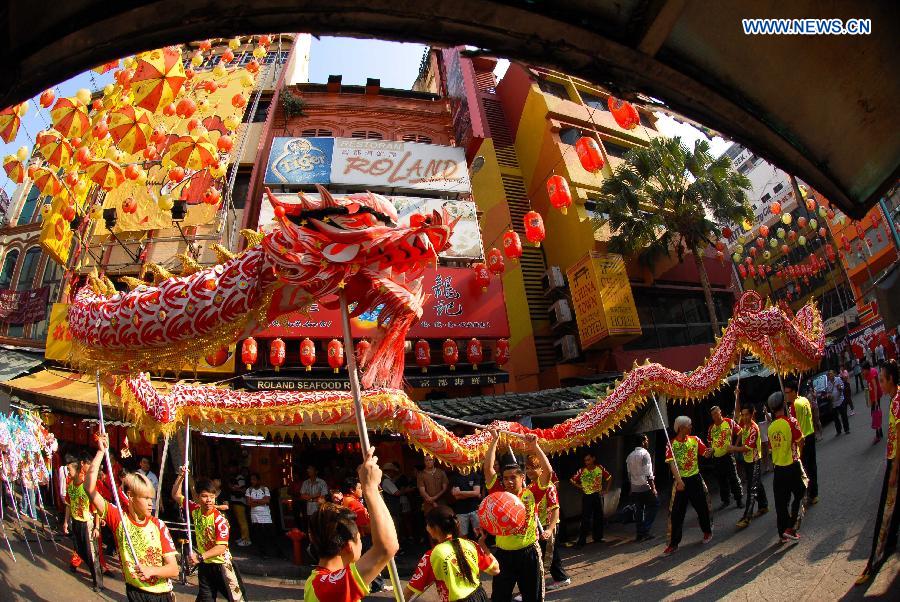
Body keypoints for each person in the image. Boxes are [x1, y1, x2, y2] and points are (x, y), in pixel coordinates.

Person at [85, 434, 179, 601]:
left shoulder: (158, 525)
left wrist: (152, 570)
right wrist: (100, 452)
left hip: (161, 594)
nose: (151, 503)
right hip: (134, 591)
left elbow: (173, 569)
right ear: (131, 496)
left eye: (152, 498)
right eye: (146, 498)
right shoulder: (118, 519)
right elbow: (89, 487)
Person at [304, 448, 399, 602]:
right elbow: (387, 547)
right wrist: (371, 488)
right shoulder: (330, 586)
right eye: (358, 538)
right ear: (349, 546)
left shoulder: (316, 581)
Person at [484, 431, 549, 602]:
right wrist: (494, 441)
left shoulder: (532, 493)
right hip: (503, 555)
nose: (509, 481)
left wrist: (535, 447)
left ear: (523, 477)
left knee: (532, 598)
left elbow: (547, 472)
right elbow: (488, 470)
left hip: (529, 553)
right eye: (505, 478)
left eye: (513, 477)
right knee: (499, 598)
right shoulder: (499, 494)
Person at [857, 359, 900, 584]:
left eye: (882, 380)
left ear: (891, 380)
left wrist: (894, 468)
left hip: (895, 464)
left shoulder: (897, 402)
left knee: (886, 510)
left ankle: (876, 557)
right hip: (893, 461)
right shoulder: (894, 400)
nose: (880, 384)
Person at [172, 470, 244, 602]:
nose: (209, 500)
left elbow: (221, 547)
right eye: (205, 496)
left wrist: (199, 557)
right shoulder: (194, 510)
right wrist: (181, 476)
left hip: (222, 566)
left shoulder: (220, 520)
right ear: (198, 497)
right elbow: (176, 495)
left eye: (212, 496)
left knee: (237, 599)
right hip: (205, 566)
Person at [405, 506, 499, 602]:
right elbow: (495, 570)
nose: (426, 527)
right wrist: (482, 544)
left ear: (435, 528)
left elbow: (409, 591)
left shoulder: (432, 556)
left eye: (427, 524)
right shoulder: (471, 544)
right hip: (479, 597)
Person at [663, 416, 713, 556]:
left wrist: (711, 451)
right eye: (689, 425)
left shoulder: (695, 440)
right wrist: (678, 481)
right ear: (681, 427)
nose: (691, 427)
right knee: (676, 513)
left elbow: (705, 454)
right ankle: (673, 544)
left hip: (695, 478)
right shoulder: (671, 444)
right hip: (681, 481)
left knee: (702, 507)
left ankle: (707, 532)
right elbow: (671, 463)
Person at [767, 392, 807, 543]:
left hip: (778, 470)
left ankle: (782, 533)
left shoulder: (771, 427)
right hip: (792, 466)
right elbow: (801, 440)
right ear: (783, 405)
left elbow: (771, 449)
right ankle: (791, 528)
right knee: (801, 494)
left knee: (781, 503)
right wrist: (799, 455)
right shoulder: (791, 421)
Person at [525, 454, 570, 591]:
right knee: (550, 553)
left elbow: (556, 509)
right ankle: (561, 578)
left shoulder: (549, 487)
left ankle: (539, 586)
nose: (530, 471)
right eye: (527, 468)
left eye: (534, 468)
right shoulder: (529, 487)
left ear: (541, 470)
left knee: (546, 555)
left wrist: (550, 529)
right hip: (537, 525)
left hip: (548, 524)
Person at [63, 458, 102, 589]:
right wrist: (65, 522)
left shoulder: (87, 485)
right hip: (76, 522)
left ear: (77, 469)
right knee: (79, 549)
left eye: (69, 470)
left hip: (87, 523)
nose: (67, 472)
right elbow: (68, 505)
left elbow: (96, 508)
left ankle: (98, 582)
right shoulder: (69, 485)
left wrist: (96, 526)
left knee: (92, 553)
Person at [732, 406, 769, 529]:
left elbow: (747, 448)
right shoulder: (744, 424)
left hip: (754, 462)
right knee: (757, 484)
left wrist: (733, 448)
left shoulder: (754, 429)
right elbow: (737, 412)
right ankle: (763, 505)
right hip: (748, 462)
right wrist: (736, 395)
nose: (744, 417)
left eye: (746, 414)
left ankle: (746, 517)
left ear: (752, 414)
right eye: (743, 414)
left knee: (751, 489)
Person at [786, 379, 818, 505]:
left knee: (804, 469)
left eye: (788, 392)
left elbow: (793, 426)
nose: (786, 395)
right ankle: (814, 494)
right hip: (811, 435)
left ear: (794, 391)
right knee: (812, 467)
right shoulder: (804, 400)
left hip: (802, 439)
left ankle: (807, 495)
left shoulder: (793, 406)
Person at [570, 452, 611, 547]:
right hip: (587, 496)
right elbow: (572, 480)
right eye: (585, 460)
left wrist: (606, 490)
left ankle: (598, 537)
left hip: (597, 495)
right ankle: (582, 540)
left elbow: (609, 477)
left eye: (588, 459)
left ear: (593, 459)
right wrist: (580, 486)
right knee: (585, 518)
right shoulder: (581, 470)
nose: (587, 462)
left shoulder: (600, 468)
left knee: (599, 517)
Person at [707, 405, 744, 510]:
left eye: (716, 413)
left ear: (720, 412)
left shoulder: (729, 422)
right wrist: (711, 450)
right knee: (721, 480)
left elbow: (740, 432)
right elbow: (709, 441)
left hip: (728, 456)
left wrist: (735, 446)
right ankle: (725, 500)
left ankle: (739, 499)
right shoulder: (711, 428)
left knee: (733, 478)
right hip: (717, 458)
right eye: (713, 414)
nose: (715, 416)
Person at [625, 434, 658, 542]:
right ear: (643, 441)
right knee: (655, 504)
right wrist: (653, 487)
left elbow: (629, 474)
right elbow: (648, 472)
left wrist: (631, 487)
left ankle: (640, 533)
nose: (648, 442)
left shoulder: (629, 456)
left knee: (639, 509)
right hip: (645, 486)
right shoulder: (645, 454)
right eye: (647, 440)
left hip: (635, 487)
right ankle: (645, 530)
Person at [245, 473, 279, 559]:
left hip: (266, 515)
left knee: (271, 533)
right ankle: (263, 553)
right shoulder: (249, 490)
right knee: (259, 535)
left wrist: (255, 501)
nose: (252, 481)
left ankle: (278, 552)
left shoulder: (265, 489)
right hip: (255, 515)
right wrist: (261, 501)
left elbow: (267, 501)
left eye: (254, 479)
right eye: (251, 479)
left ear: (259, 480)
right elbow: (249, 503)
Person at [450, 469, 483, 539]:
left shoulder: (475, 475)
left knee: (479, 533)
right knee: (462, 535)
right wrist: (472, 493)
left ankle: (479, 549)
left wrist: (460, 492)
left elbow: (477, 492)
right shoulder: (455, 477)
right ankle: (465, 549)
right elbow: (457, 497)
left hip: (475, 509)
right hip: (461, 511)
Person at [228, 469, 251, 546]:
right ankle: (243, 537)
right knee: (240, 521)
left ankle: (246, 539)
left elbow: (243, 489)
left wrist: (234, 488)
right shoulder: (235, 477)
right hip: (236, 501)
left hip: (240, 502)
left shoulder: (239, 477)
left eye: (231, 467)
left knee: (242, 521)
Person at [828, 370, 850, 435]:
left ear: (834, 374)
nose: (830, 376)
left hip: (840, 400)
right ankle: (838, 430)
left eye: (831, 374)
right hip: (834, 403)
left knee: (844, 416)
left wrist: (840, 387)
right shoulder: (828, 383)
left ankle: (847, 429)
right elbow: (829, 391)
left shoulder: (838, 379)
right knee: (835, 418)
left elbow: (842, 386)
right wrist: (829, 395)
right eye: (829, 375)